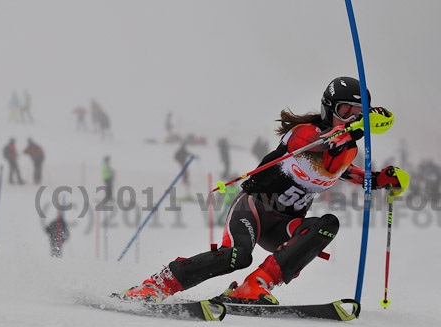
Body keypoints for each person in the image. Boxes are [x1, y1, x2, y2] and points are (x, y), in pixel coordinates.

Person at [116, 76, 408, 304]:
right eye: (345, 112)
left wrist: (384, 179)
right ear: (328, 110)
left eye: (358, 113)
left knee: (327, 225)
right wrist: (358, 126)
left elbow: (347, 171)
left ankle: (254, 285)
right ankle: (158, 284)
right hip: (254, 209)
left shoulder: (346, 150)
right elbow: (327, 142)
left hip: (284, 225)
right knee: (238, 256)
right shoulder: (304, 135)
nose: (351, 118)